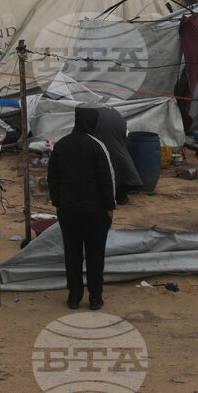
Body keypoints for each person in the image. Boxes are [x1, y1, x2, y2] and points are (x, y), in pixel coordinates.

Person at [47, 107, 116, 311]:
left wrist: (57, 202)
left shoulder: (61, 145)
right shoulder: (97, 146)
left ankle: (74, 297)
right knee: (95, 256)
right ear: (93, 124)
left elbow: (52, 178)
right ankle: (95, 298)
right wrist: (110, 207)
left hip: (68, 210)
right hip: (95, 212)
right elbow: (107, 179)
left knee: (72, 254)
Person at [86, 104, 141, 205]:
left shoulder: (88, 112)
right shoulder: (104, 108)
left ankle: (117, 191)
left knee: (105, 155)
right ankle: (128, 184)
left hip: (104, 124)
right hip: (119, 122)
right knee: (118, 151)